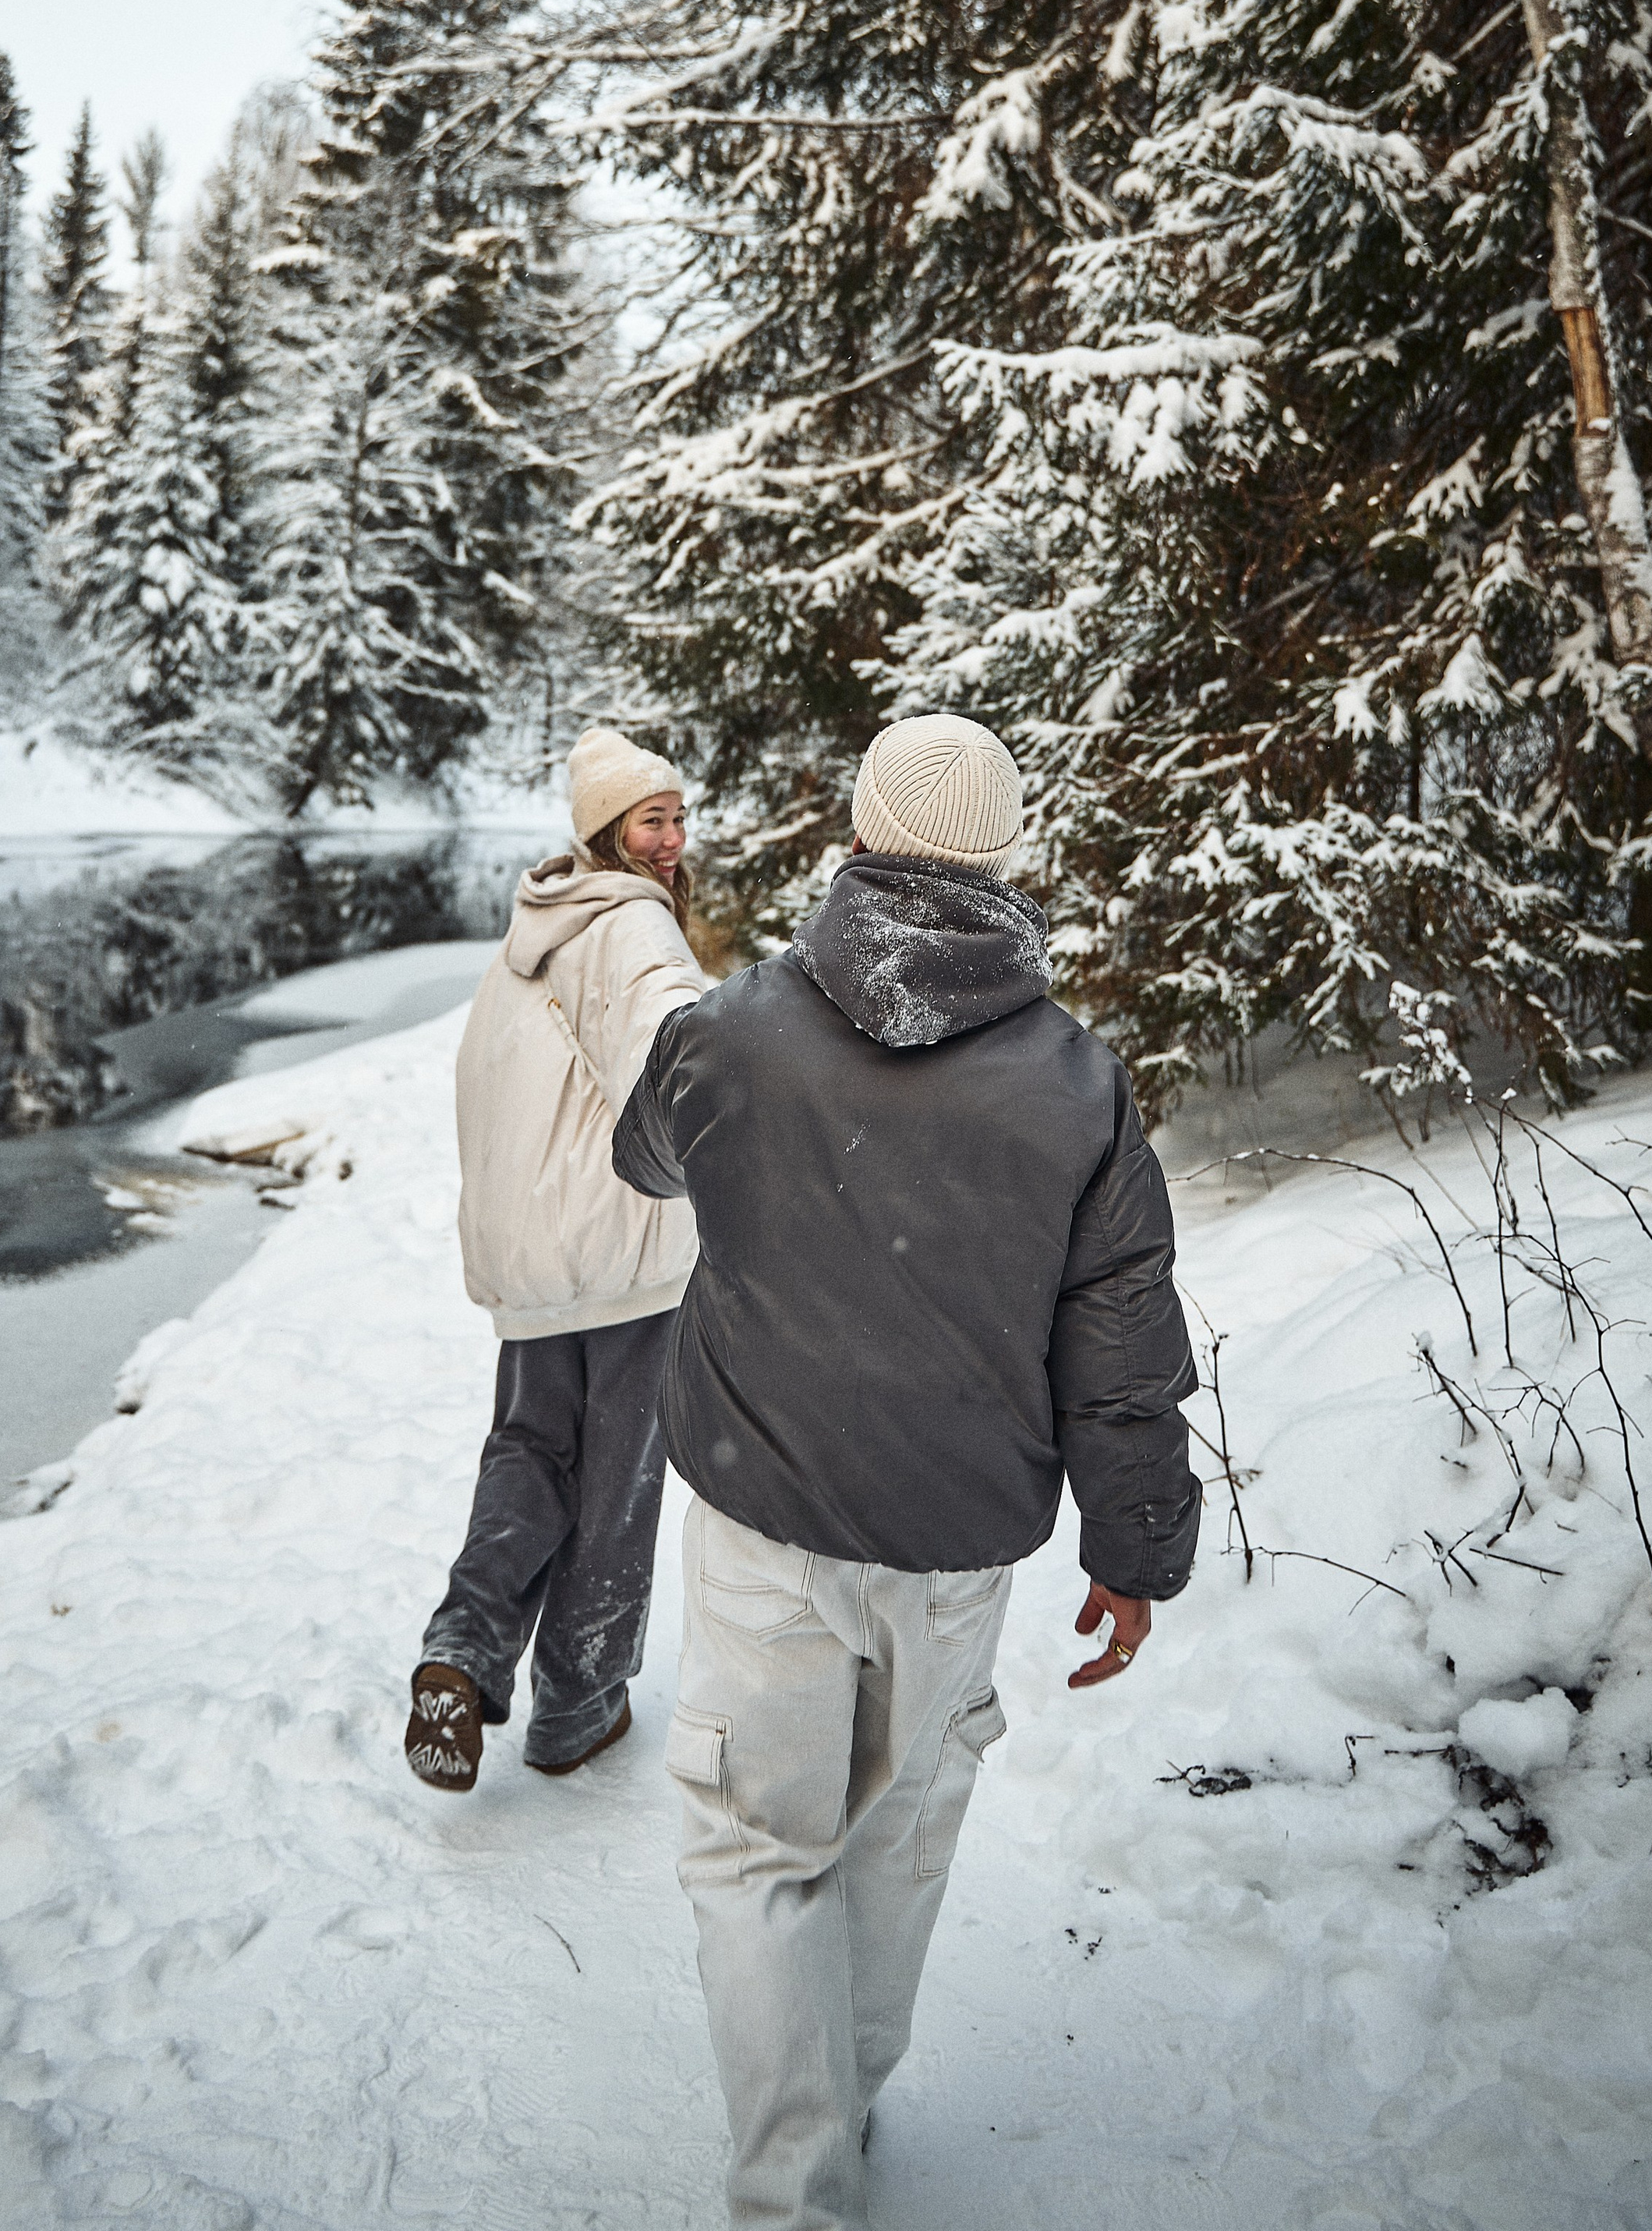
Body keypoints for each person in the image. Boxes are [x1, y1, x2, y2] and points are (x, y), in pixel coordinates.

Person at [612, 712, 1201, 2231]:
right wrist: (1131, 1551)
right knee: (898, 1834)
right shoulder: (1074, 1081)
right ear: (1001, 859)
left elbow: (643, 1157)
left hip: (762, 1510)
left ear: (858, 834)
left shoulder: (734, 1029)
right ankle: (839, 2120)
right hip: (954, 1542)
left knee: (756, 1848)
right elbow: (1120, 1337)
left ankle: (797, 2187)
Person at [405, 724, 706, 1790]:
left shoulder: (539, 922)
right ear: (606, 834)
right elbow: (681, 1055)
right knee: (618, 1481)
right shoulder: (633, 927)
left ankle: (464, 1647)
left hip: (535, 1256)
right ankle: (578, 1707)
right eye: (650, 821)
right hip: (624, 1252)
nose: (671, 839)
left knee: (532, 1454)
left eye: (676, 816)